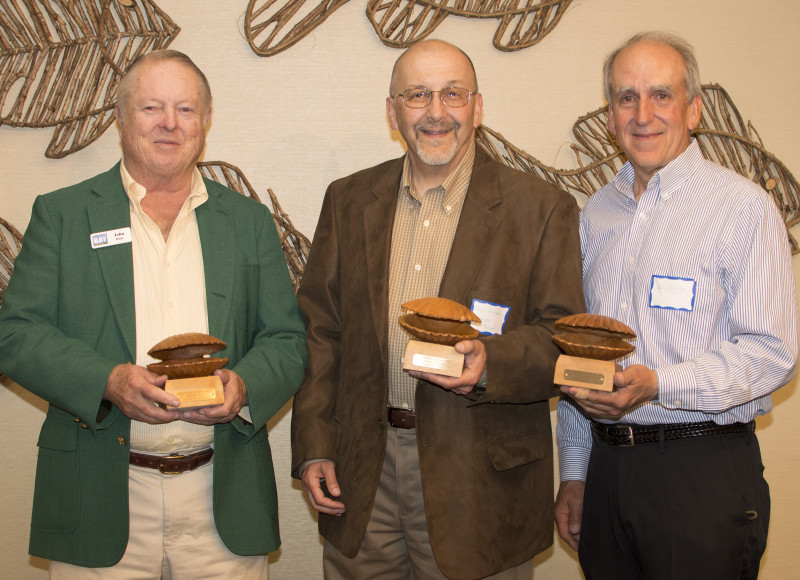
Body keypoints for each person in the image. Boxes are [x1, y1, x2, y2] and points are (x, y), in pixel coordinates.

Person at [0, 50, 307, 578]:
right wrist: (108, 380)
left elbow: (286, 338)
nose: (170, 122)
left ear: (206, 121)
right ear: (120, 118)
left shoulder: (248, 222)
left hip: (222, 494)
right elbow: (15, 334)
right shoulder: (63, 214)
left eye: (186, 109)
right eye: (151, 107)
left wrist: (245, 387)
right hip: (100, 489)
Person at [291, 39, 584, 579]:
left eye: (452, 93)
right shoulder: (348, 200)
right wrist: (314, 446)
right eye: (417, 95)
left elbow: (563, 338)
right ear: (392, 111)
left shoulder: (541, 209)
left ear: (477, 106)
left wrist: (490, 363)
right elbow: (320, 332)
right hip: (364, 475)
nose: (435, 111)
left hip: (480, 479)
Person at [555, 31, 799, 580]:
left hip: (701, 476)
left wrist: (660, 383)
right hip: (607, 471)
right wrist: (575, 474)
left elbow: (772, 353)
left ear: (693, 109)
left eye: (661, 95)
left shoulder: (743, 208)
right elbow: (581, 350)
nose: (643, 114)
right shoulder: (596, 214)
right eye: (625, 97)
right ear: (610, 114)